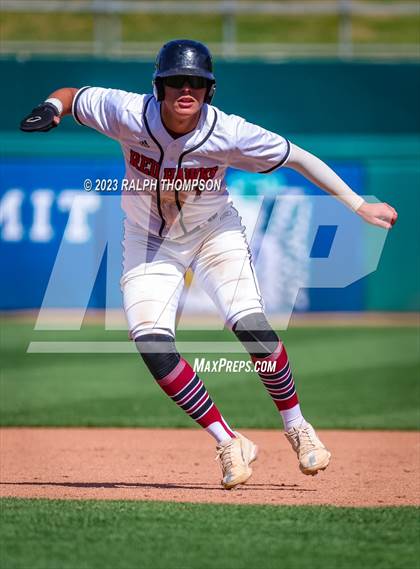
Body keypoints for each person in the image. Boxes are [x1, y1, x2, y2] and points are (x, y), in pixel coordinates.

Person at [20, 39, 398, 490]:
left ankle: (297, 426)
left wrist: (358, 206)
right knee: (151, 342)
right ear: (158, 86)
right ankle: (227, 439)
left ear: (209, 89)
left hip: (214, 234)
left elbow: (297, 157)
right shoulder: (127, 112)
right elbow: (72, 95)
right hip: (148, 241)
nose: (187, 89)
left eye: (197, 82)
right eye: (176, 81)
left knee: (251, 325)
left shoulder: (228, 132)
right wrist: (50, 108)